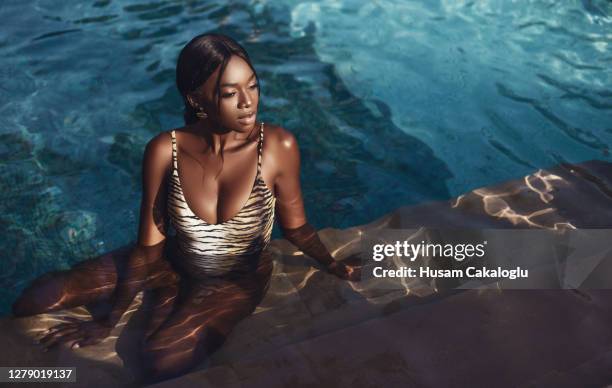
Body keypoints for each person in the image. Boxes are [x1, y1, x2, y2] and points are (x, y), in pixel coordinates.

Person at [11, 33, 360, 383]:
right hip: (171, 260)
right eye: (229, 93)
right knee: (38, 300)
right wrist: (107, 321)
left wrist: (333, 265)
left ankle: (170, 296)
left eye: (252, 86)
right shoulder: (166, 150)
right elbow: (149, 247)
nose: (247, 102)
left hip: (235, 278)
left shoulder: (277, 146)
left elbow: (296, 227)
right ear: (197, 99)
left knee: (161, 360)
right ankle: (169, 289)